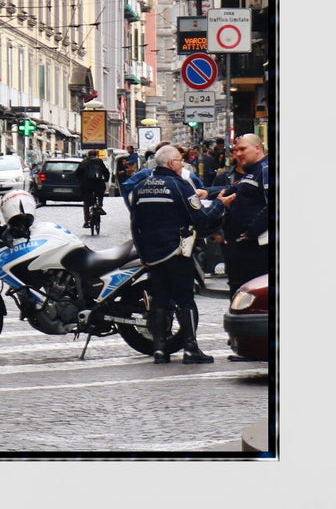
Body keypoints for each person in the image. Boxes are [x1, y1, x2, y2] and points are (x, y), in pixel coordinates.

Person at [128, 143, 235, 364]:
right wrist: (219, 204)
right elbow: (201, 218)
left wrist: (144, 255)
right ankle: (190, 348)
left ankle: (159, 349)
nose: (182, 163)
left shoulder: (141, 187)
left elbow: (135, 225)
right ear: (170, 163)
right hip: (177, 252)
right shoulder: (180, 186)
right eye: (179, 160)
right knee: (185, 299)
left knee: (159, 300)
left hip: (153, 256)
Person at [219, 134, 270, 293]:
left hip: (256, 249)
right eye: (235, 150)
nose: (238, 154)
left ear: (257, 148)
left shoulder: (265, 169)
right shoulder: (251, 172)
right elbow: (234, 190)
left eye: (242, 149)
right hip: (242, 248)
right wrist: (207, 193)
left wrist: (250, 232)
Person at [75, 151, 110, 228]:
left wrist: (80, 180)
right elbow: (106, 171)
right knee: (101, 191)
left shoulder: (84, 162)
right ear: (96, 155)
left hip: (87, 184)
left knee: (86, 202)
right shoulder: (99, 161)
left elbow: (77, 173)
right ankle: (99, 205)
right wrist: (106, 179)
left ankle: (86, 221)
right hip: (98, 183)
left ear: (88, 155)